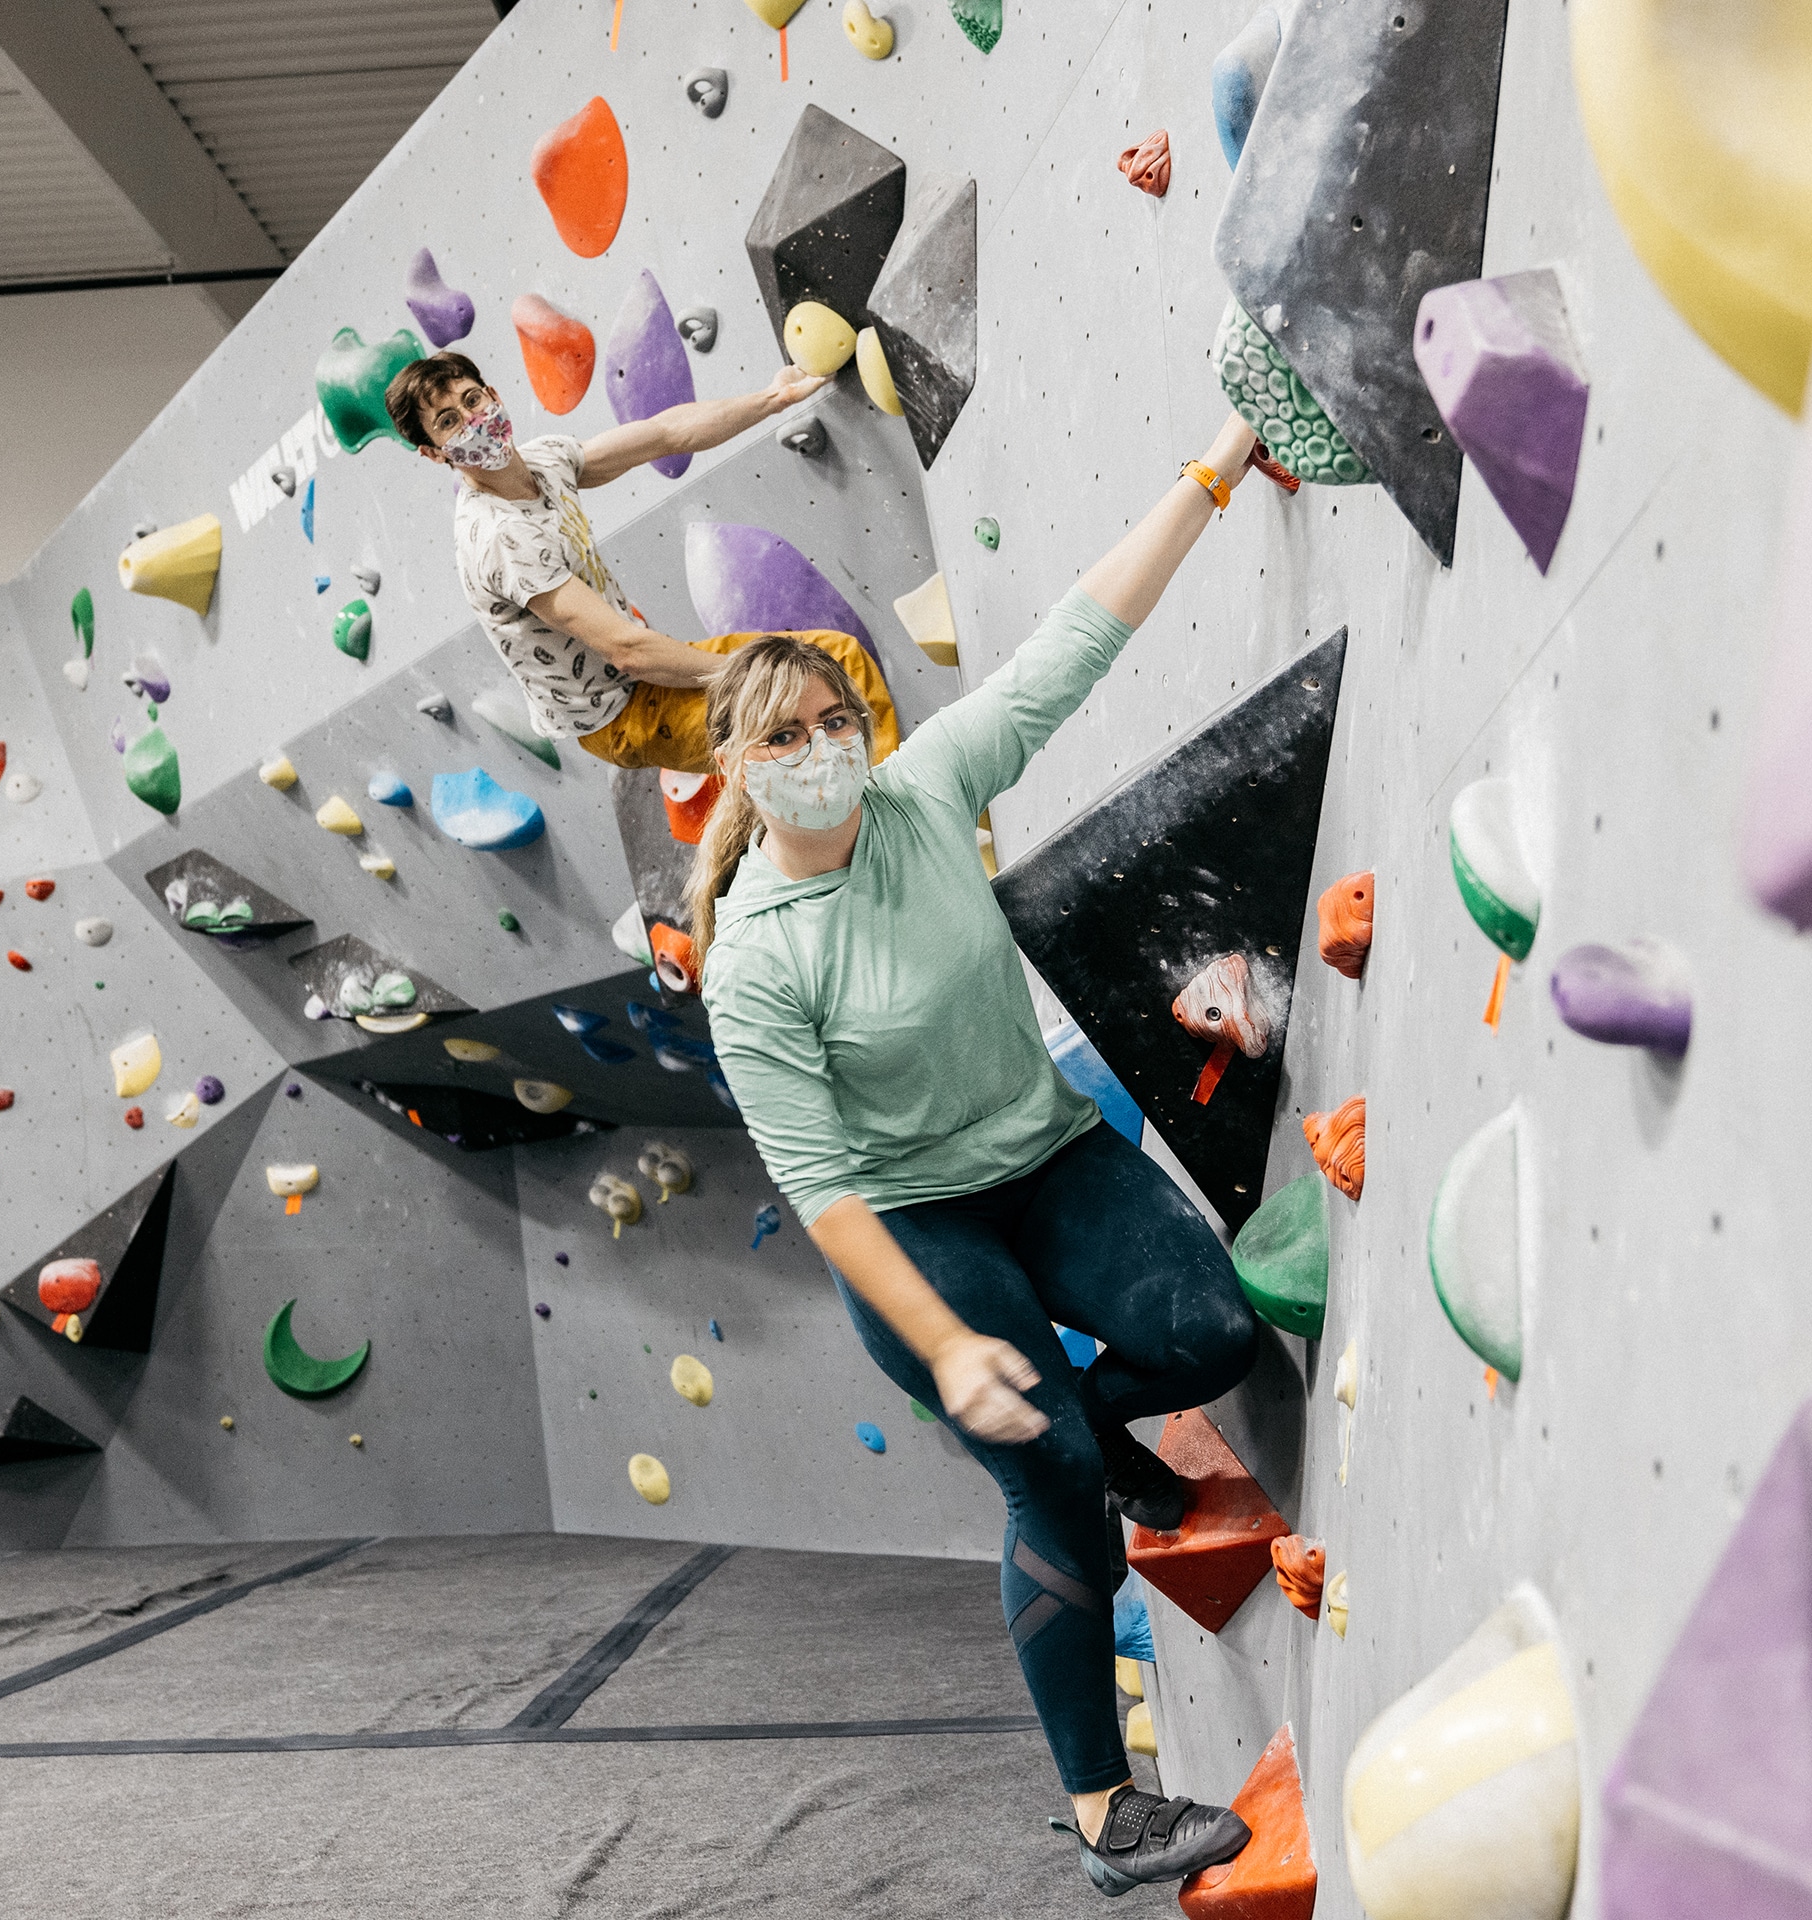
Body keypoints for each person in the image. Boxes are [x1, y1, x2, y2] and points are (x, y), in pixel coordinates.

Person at [691, 415, 1273, 1895]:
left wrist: (1211, 468)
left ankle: (1097, 1431)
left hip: (1044, 1156)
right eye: (786, 737)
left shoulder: (924, 791)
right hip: (911, 1232)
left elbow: (1076, 643)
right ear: (738, 772)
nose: (823, 751)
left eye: (836, 721)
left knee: (1208, 1330)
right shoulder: (750, 962)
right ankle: (1108, 1816)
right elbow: (822, 1189)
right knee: (1048, 1477)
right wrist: (948, 1347)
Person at [381, 351, 900, 775]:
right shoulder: (500, 538)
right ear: (435, 454)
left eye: (473, 400)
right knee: (806, 703)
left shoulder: (544, 461)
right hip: (621, 712)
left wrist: (772, 398)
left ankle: (889, 816)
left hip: (644, 676)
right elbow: (627, 649)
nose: (473, 420)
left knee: (836, 660)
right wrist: (753, 675)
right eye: (449, 422)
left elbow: (666, 433)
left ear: (493, 395)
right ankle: (893, 832)